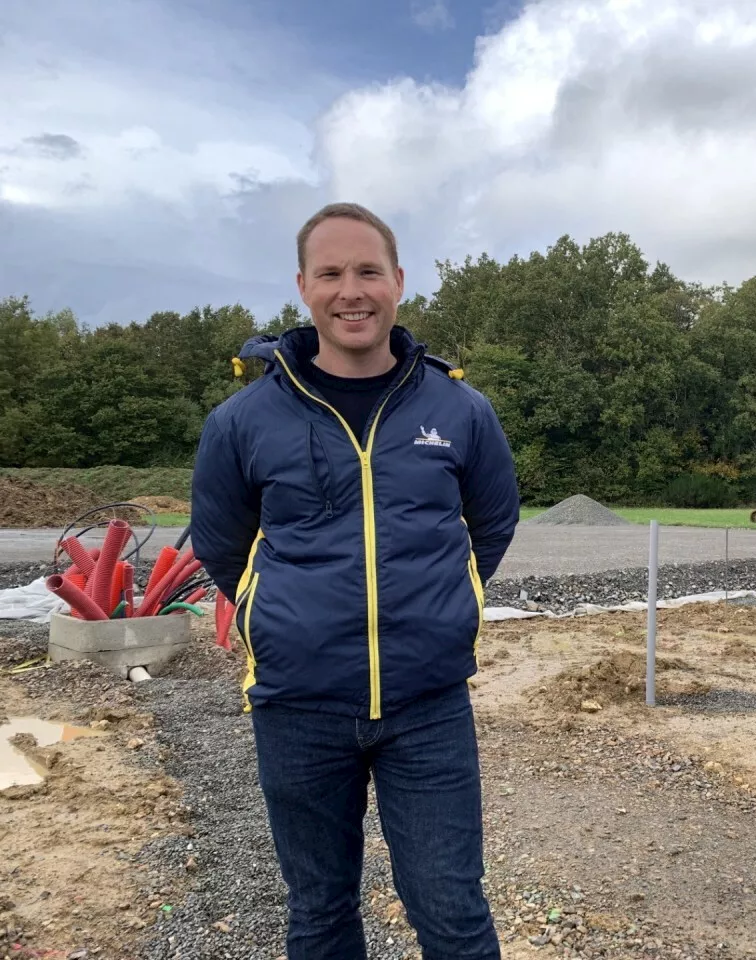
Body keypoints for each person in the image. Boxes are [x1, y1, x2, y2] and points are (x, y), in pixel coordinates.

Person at [189, 202, 520, 959]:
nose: (352, 291)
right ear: (304, 287)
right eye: (331, 273)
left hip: (427, 707)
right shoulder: (241, 422)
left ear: (398, 282)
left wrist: (446, 603)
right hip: (298, 708)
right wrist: (271, 616)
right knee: (321, 912)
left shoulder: (460, 409)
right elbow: (222, 545)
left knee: (452, 912)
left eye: (368, 271)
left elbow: (492, 525)